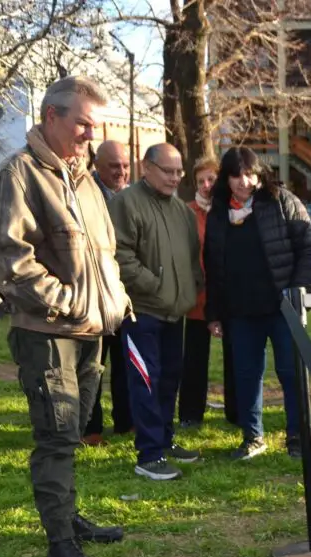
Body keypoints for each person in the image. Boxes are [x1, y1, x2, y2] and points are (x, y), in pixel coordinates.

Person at [0, 75, 132, 557]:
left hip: (91, 332)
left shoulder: (85, 179)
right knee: (57, 437)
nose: (91, 135)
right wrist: (70, 304)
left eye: (95, 125)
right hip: (47, 334)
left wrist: (115, 302)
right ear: (51, 116)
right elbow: (6, 260)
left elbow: (105, 256)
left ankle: (68, 518)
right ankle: (59, 547)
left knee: (75, 432)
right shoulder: (17, 175)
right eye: (83, 124)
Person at [204, 147, 311, 461]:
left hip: (283, 308)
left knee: (291, 372)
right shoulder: (218, 213)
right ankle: (253, 437)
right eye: (236, 175)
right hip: (240, 311)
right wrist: (214, 313)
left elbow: (308, 248)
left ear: (260, 174)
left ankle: (298, 436)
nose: (244, 181)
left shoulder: (282, 201)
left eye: (249, 174)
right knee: (246, 375)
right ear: (226, 179)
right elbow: (212, 267)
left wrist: (297, 291)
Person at [110, 144, 203, 480]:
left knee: (168, 380)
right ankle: (149, 455)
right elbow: (119, 255)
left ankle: (164, 440)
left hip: (174, 313)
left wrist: (190, 289)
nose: (175, 178)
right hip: (142, 313)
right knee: (145, 383)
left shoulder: (182, 212)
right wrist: (155, 285)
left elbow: (191, 259)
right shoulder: (125, 203)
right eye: (168, 171)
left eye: (179, 171)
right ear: (146, 167)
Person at [178, 156, 236, 428]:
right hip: (197, 295)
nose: (205, 185)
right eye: (200, 181)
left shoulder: (232, 210)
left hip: (228, 294)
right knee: (194, 358)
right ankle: (190, 413)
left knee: (234, 356)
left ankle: (236, 411)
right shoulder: (187, 213)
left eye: (211, 179)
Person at [83, 139, 133, 445]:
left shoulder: (133, 196)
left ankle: (127, 422)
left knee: (126, 365)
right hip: (94, 296)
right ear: (97, 165)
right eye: (114, 166)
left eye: (125, 165)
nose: (121, 171)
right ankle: (91, 429)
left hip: (126, 297)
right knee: (93, 366)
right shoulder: (84, 193)